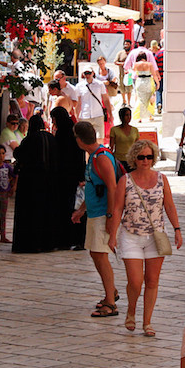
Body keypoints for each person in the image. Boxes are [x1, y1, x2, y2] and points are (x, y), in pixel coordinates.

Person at [109, 140, 183, 337]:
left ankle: (147, 322)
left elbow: (169, 206)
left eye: (149, 157)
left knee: (152, 280)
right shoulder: (125, 180)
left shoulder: (161, 179)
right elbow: (117, 209)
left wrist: (177, 229)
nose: (145, 161)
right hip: (130, 235)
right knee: (135, 281)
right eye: (141, 157)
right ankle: (131, 310)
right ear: (134, 158)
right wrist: (112, 235)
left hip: (155, 236)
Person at [71, 121, 121, 317]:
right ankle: (111, 291)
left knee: (101, 255)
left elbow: (112, 187)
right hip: (94, 213)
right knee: (95, 253)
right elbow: (94, 186)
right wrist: (82, 209)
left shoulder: (101, 158)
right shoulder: (93, 156)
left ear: (79, 140)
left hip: (102, 214)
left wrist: (110, 216)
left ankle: (111, 302)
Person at [12, 115, 58, 254]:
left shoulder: (30, 139)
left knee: (31, 212)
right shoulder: (50, 138)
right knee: (46, 211)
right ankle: (47, 243)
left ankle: (31, 244)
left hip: (31, 183)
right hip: (49, 182)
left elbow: (18, 154)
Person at [50, 106, 86, 250]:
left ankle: (67, 240)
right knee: (74, 206)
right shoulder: (74, 131)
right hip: (73, 176)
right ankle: (77, 240)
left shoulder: (63, 134)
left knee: (69, 207)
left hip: (66, 177)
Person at [76, 68, 111, 144]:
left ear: (93, 73)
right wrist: (77, 116)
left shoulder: (100, 84)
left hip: (98, 115)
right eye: (86, 73)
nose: (88, 75)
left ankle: (99, 155)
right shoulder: (79, 86)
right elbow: (78, 103)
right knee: (86, 141)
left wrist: (110, 114)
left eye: (89, 73)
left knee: (99, 139)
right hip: (85, 116)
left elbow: (106, 100)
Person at [110, 106, 140, 171]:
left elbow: (137, 146)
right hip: (119, 160)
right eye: (126, 115)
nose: (129, 117)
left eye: (130, 115)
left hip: (131, 160)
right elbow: (111, 146)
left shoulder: (135, 130)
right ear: (121, 116)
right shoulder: (114, 130)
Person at [133, 55, 159, 122]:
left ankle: (139, 117)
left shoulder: (136, 64)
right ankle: (150, 116)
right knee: (149, 99)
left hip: (140, 81)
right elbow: (154, 74)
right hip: (148, 81)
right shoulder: (149, 64)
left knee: (140, 99)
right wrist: (158, 83)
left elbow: (134, 71)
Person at [115, 39, 133, 107]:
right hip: (122, 74)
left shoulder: (132, 53)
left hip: (129, 74)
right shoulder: (120, 53)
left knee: (129, 89)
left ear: (130, 45)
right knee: (122, 88)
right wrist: (122, 64)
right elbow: (115, 62)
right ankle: (124, 101)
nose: (126, 46)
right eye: (125, 44)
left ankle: (129, 103)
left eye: (127, 44)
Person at [154, 40, 164, 114]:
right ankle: (165, 104)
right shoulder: (169, 53)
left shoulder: (158, 54)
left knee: (159, 90)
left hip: (159, 76)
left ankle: (159, 103)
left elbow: (155, 66)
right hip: (169, 76)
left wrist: (156, 76)